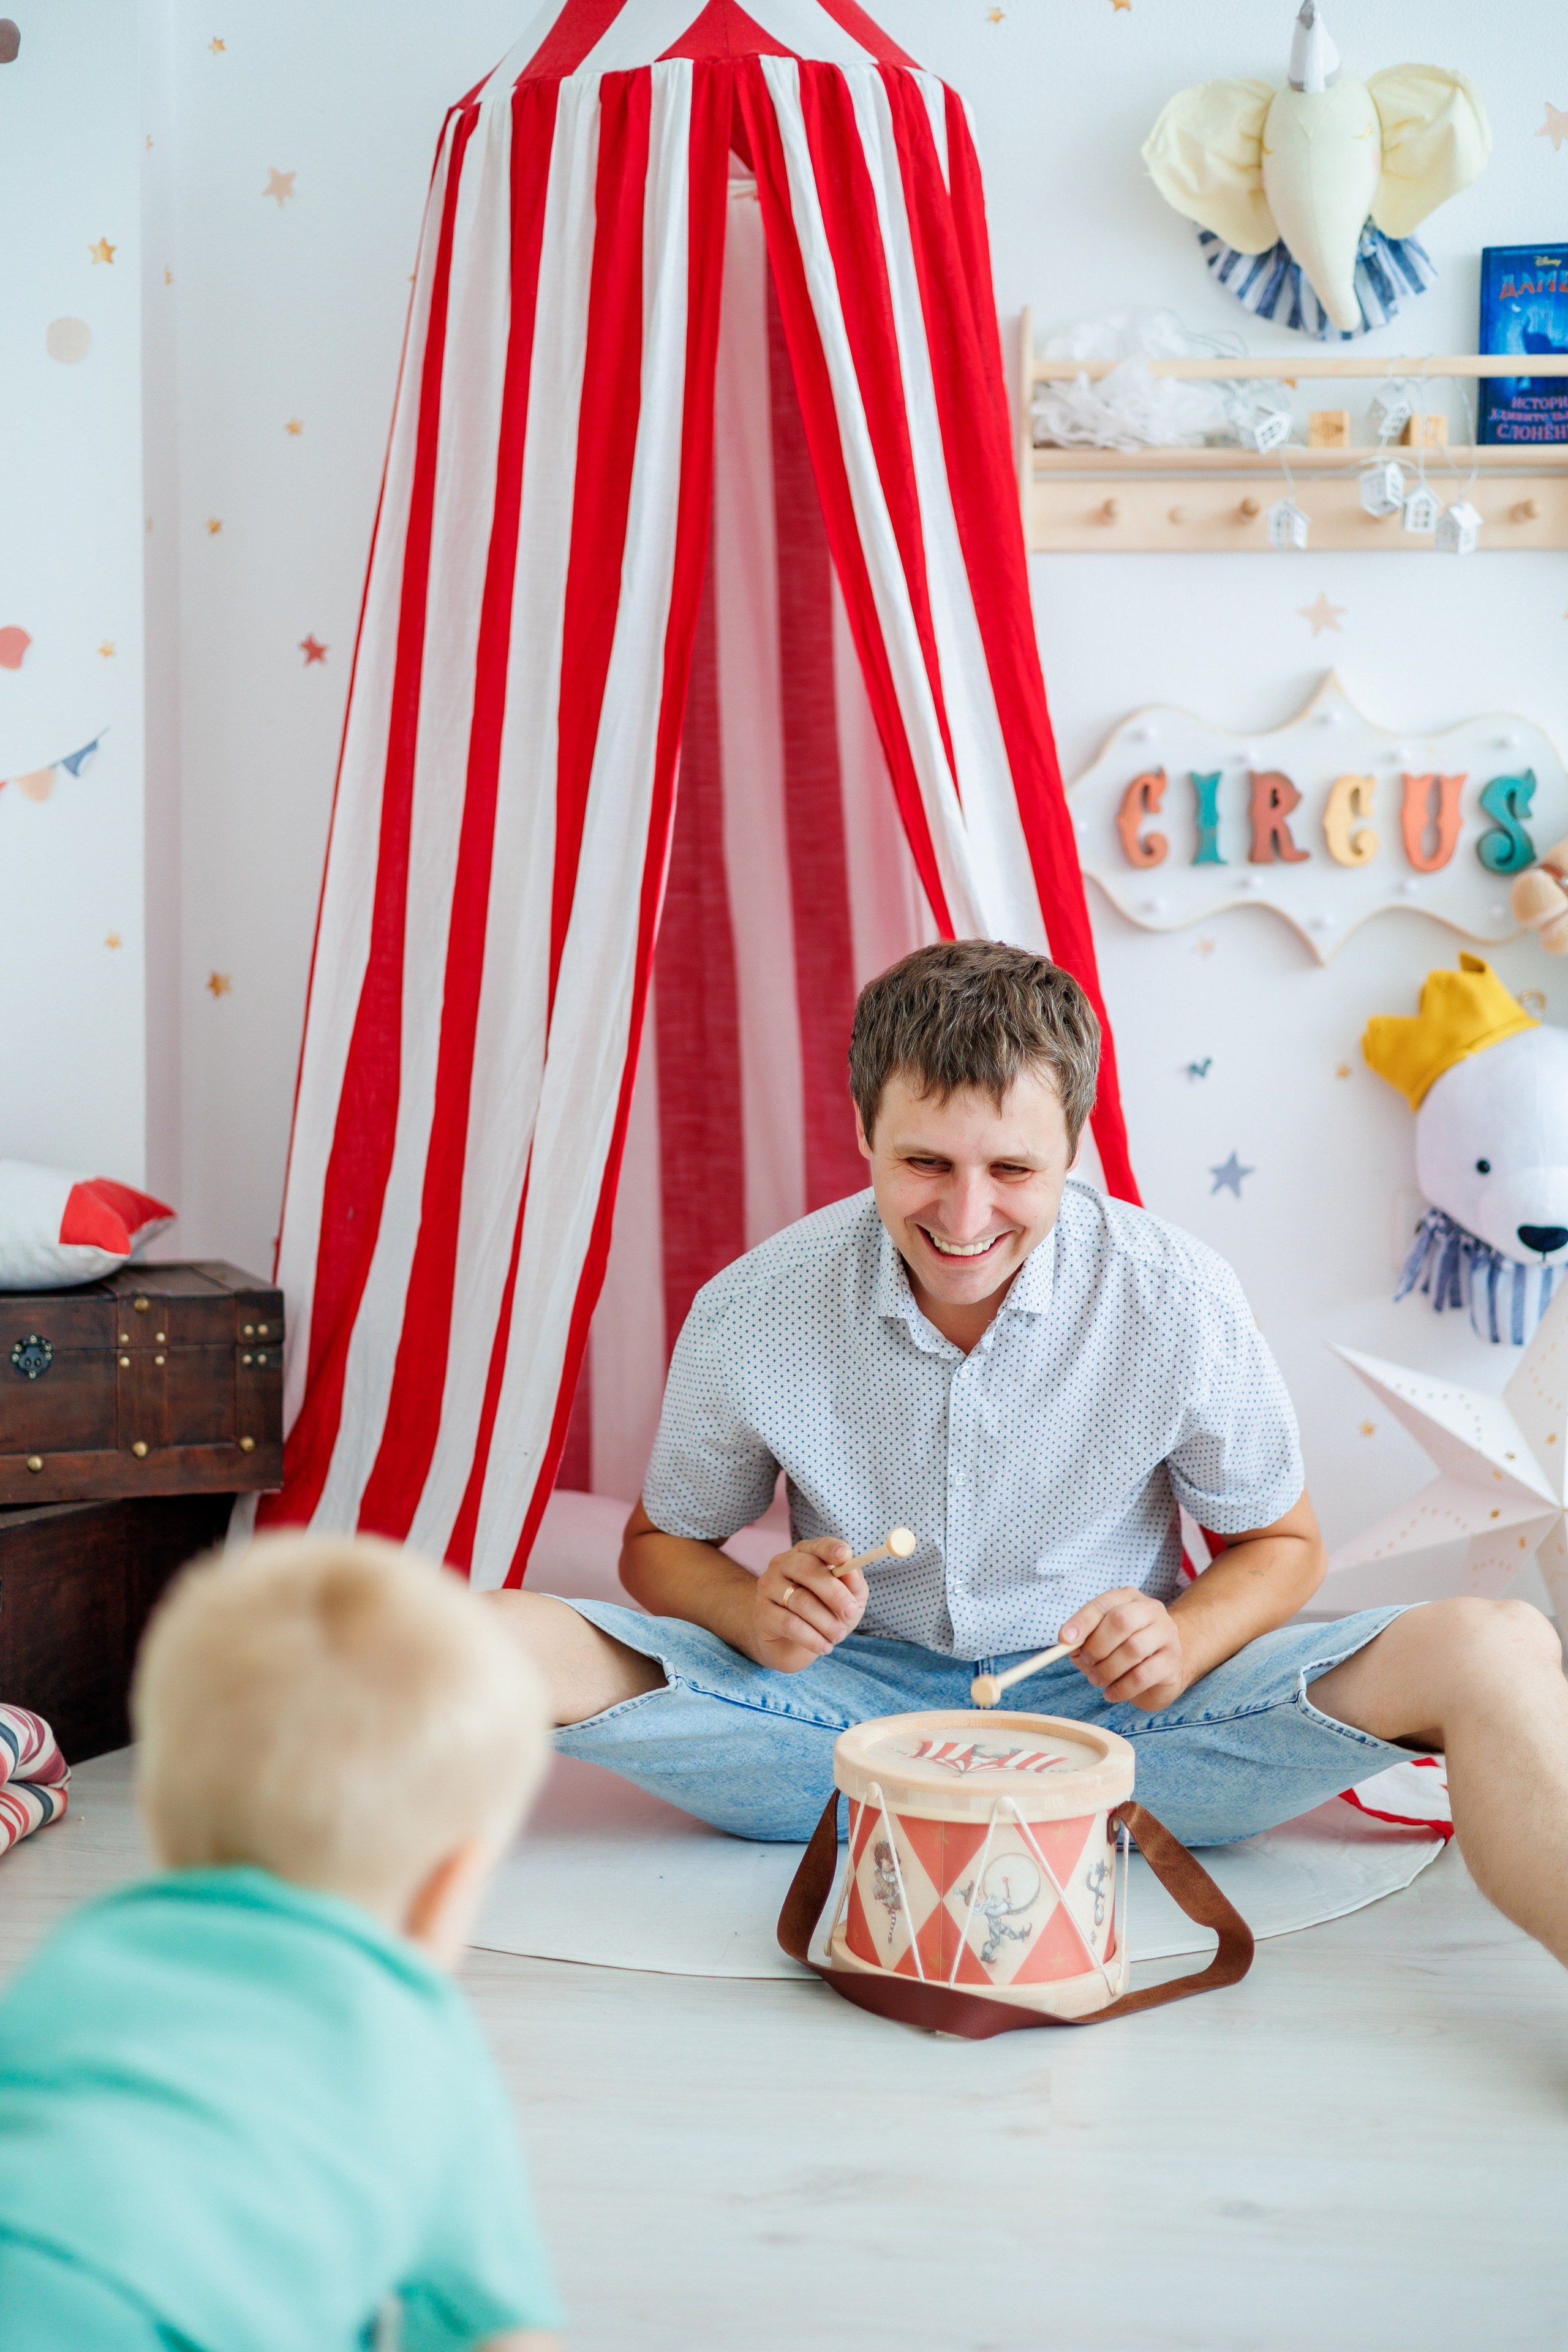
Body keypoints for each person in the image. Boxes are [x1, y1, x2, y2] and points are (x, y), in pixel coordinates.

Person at [500, 939, 1568, 1976]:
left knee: (1498, 1641)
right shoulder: (754, 1306)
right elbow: (659, 1548)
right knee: (499, 1632)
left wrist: (1183, 1639)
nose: (965, 1216)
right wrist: (750, 1612)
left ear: (1075, 1148)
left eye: (1013, 1168)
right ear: (863, 1129)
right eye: (924, 1162)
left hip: (1132, 1729)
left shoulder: (1177, 1297)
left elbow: (1283, 1546)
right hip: (830, 1724)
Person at [0, 1535, 563, 2352]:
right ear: (448, 1886)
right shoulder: (418, 2037)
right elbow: (502, 2331)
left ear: (156, 1812)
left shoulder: (81, 1950)